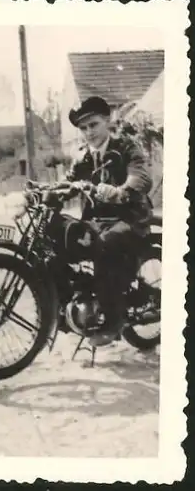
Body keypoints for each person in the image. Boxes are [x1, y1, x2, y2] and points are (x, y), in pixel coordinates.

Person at [66, 96, 153, 347]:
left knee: (103, 245)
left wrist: (121, 191)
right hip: (98, 220)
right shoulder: (83, 157)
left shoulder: (127, 148)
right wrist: (47, 192)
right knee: (66, 240)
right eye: (83, 128)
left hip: (130, 218)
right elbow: (69, 183)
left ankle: (113, 322)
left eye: (93, 125)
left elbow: (140, 178)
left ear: (107, 121)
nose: (88, 132)